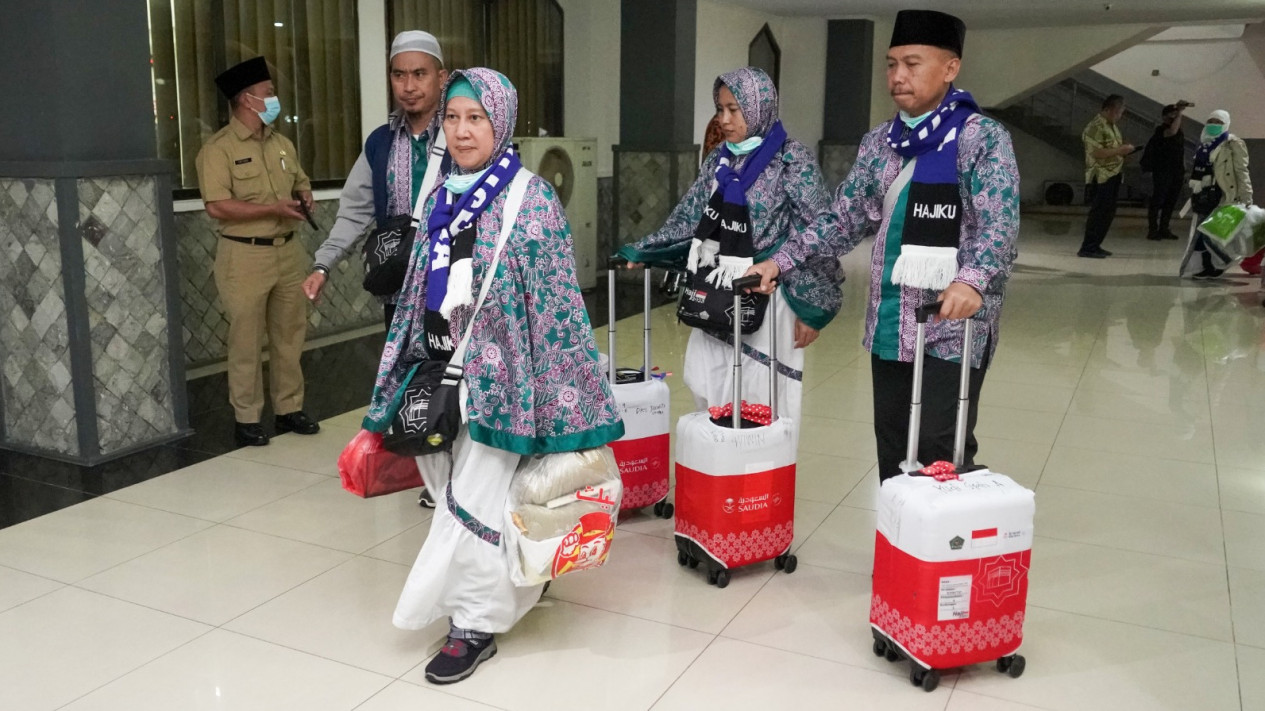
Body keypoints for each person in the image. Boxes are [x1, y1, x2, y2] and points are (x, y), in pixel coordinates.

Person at [361, 68, 623, 685]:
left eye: (474, 118)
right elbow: (417, 286)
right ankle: (513, 582)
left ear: (499, 122)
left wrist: (553, 389)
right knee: (456, 493)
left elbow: (556, 301)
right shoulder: (443, 192)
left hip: (504, 382)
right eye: (452, 118)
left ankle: (473, 624)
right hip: (439, 373)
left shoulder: (532, 196)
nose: (460, 130)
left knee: (471, 503)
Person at [746, 9, 1020, 482]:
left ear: (950, 68)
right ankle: (899, 547)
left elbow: (999, 225)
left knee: (940, 445)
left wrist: (972, 281)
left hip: (953, 322)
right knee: (892, 443)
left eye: (912, 64)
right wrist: (780, 260)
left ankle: (940, 551)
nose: (897, 77)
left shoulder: (982, 139)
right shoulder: (880, 143)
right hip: (891, 322)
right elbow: (845, 217)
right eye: (891, 64)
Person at [616, 66, 841, 421]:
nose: (724, 119)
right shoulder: (720, 160)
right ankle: (718, 466)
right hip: (717, 292)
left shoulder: (791, 160)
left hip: (771, 294)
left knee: (762, 393)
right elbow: (690, 216)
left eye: (734, 110)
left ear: (759, 108)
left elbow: (817, 232)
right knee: (709, 380)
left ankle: (758, 471)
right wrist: (648, 250)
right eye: (720, 109)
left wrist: (810, 309)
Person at [197, 57, 320, 447]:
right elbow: (217, 205)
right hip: (244, 256)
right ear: (246, 100)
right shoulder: (218, 149)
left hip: (288, 253)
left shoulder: (281, 143)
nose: (274, 99)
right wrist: (272, 209)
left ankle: (288, 409)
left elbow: (300, 181)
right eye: (268, 93)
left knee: (290, 335)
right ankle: (247, 417)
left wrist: (304, 196)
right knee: (246, 340)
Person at [303, 31, 450, 328]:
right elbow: (354, 213)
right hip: (398, 293)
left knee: (455, 373)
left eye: (420, 74)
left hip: (455, 292)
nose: (408, 86)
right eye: (399, 75)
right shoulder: (380, 144)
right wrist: (322, 265)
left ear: (442, 77)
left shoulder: (464, 138)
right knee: (402, 374)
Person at [1180, 109, 1253, 279]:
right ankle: (1208, 266)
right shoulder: (1204, 141)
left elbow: (1242, 171)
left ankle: (1223, 262)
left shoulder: (1233, 143)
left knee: (1211, 234)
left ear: (1226, 123)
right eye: (1211, 121)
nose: (1214, 125)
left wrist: (1246, 195)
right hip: (1203, 194)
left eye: (1219, 122)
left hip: (1223, 194)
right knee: (1201, 233)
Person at [1079, 95, 1133, 258]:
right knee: (1099, 212)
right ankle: (1088, 246)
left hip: (1113, 174)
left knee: (1108, 212)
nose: (1119, 116)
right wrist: (1119, 151)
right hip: (1100, 175)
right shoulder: (1095, 127)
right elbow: (1096, 152)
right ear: (1108, 109)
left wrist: (1123, 152)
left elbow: (1112, 148)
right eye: (1117, 112)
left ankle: (1096, 244)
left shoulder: (1112, 127)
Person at [1142, 101, 1192, 241]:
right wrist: (1180, 112)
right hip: (1163, 170)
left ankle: (1164, 228)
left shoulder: (1180, 132)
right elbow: (1172, 131)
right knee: (1158, 199)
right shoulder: (1160, 130)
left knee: (1171, 201)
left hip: (1177, 171)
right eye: (1172, 114)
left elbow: (1180, 150)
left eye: (1175, 115)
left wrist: (1184, 167)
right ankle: (1153, 229)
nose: (1175, 117)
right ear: (1165, 116)